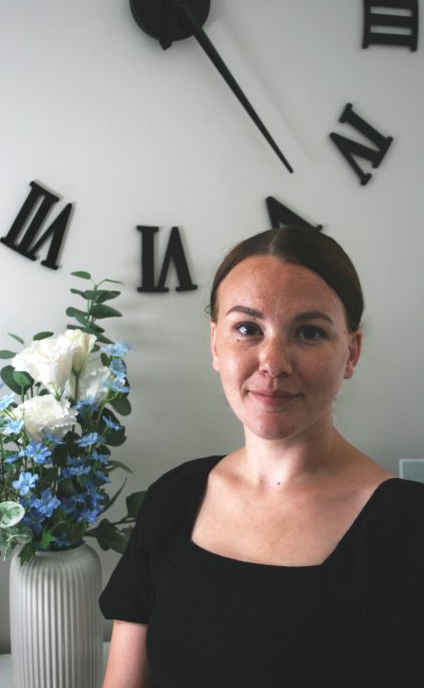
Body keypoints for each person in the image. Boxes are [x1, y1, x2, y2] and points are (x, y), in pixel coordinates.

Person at [99, 224, 424, 687]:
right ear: (216, 343)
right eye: (248, 329)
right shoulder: (173, 500)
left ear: (351, 353)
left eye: (308, 332)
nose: (273, 363)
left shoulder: (406, 530)